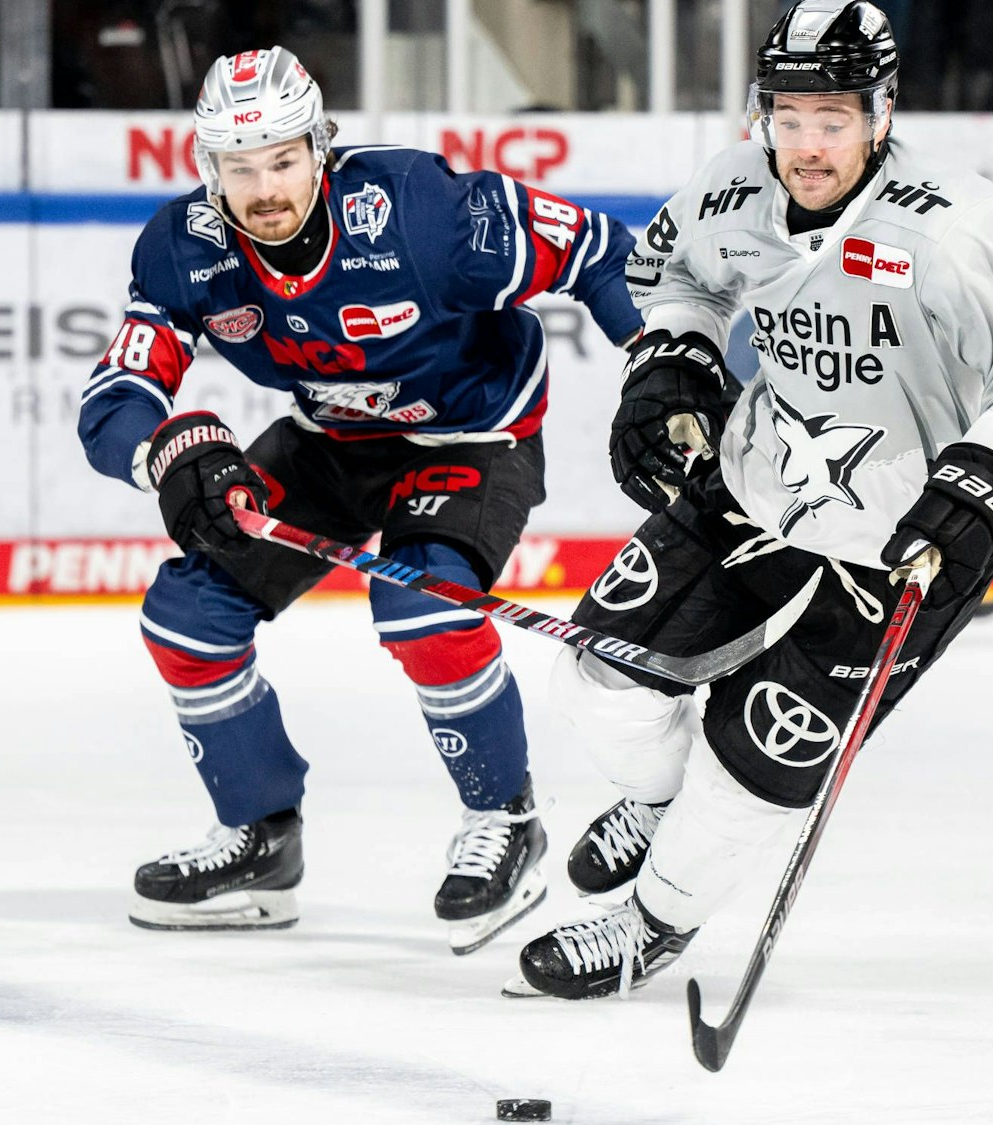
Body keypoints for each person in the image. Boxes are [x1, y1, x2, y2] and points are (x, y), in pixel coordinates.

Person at [505, 0, 993, 1000]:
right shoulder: (731, 188)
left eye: (832, 119)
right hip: (759, 476)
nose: (805, 144)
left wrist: (978, 484)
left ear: (881, 111)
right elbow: (670, 273)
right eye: (787, 114)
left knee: (757, 758)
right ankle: (653, 799)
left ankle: (649, 925)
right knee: (602, 677)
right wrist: (673, 356)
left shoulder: (953, 224)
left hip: (909, 537)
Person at [77, 47, 642, 952]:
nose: (265, 188)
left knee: (419, 605)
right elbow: (118, 394)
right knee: (186, 616)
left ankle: (506, 816)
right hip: (333, 442)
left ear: (322, 147)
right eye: (239, 165)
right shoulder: (187, 250)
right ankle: (261, 841)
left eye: (284, 160)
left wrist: (662, 371)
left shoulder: (423, 216)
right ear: (205, 167)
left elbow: (601, 251)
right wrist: (161, 456)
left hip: (472, 436)